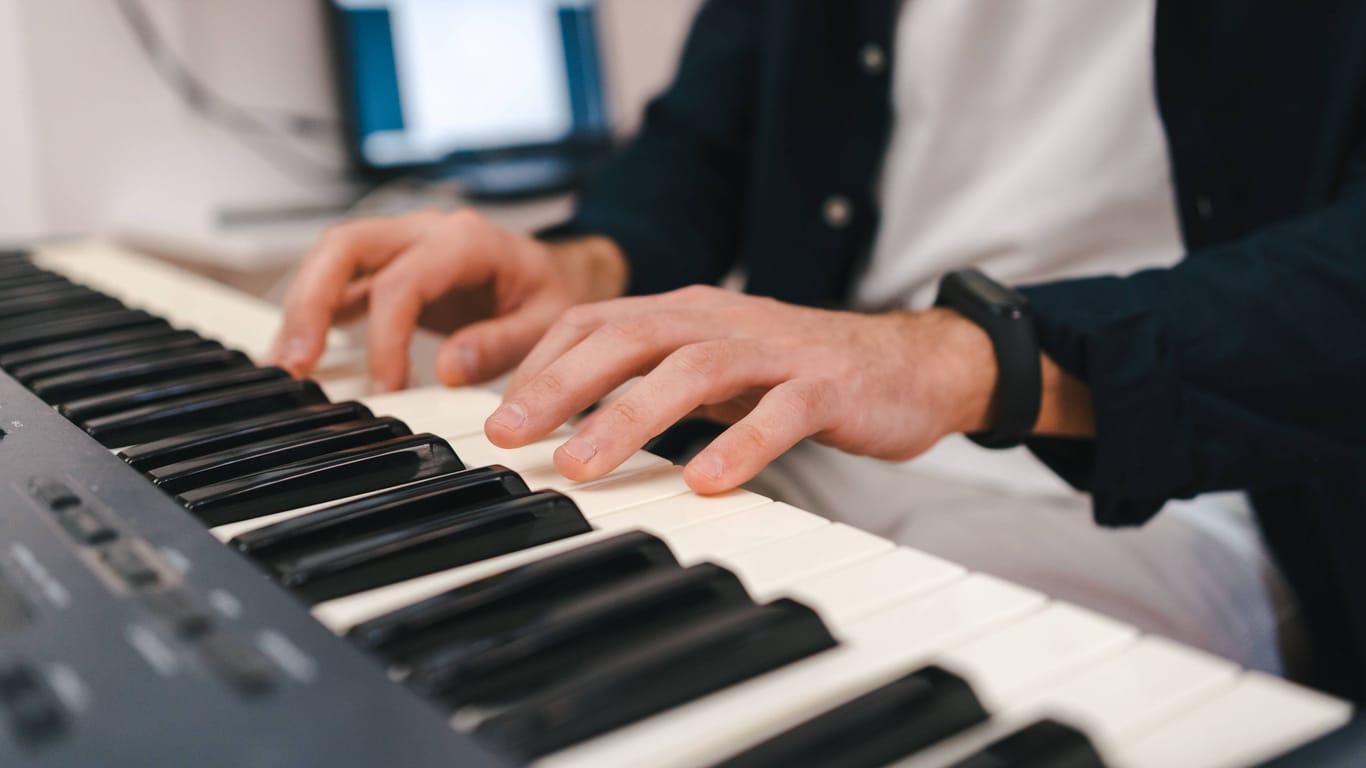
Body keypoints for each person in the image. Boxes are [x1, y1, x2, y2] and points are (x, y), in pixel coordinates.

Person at [272, 1, 1366, 700]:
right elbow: (708, 134)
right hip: (815, 423)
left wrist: (957, 357)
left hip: (1191, 488)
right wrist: (589, 261)